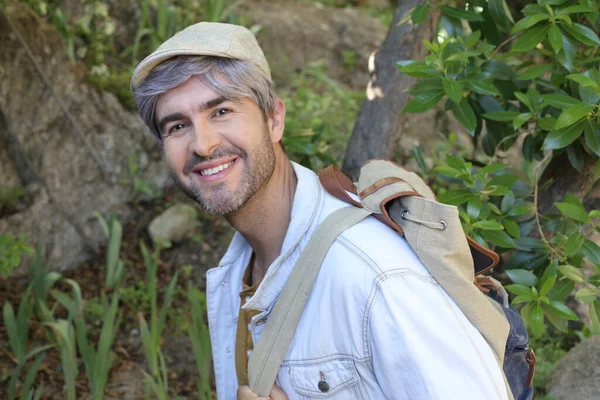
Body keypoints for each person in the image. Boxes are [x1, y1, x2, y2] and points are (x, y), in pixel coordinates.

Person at [131, 22, 510, 400]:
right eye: (178, 126)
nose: (202, 143)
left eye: (222, 111)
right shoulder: (238, 271)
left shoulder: (376, 277)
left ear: (274, 119)